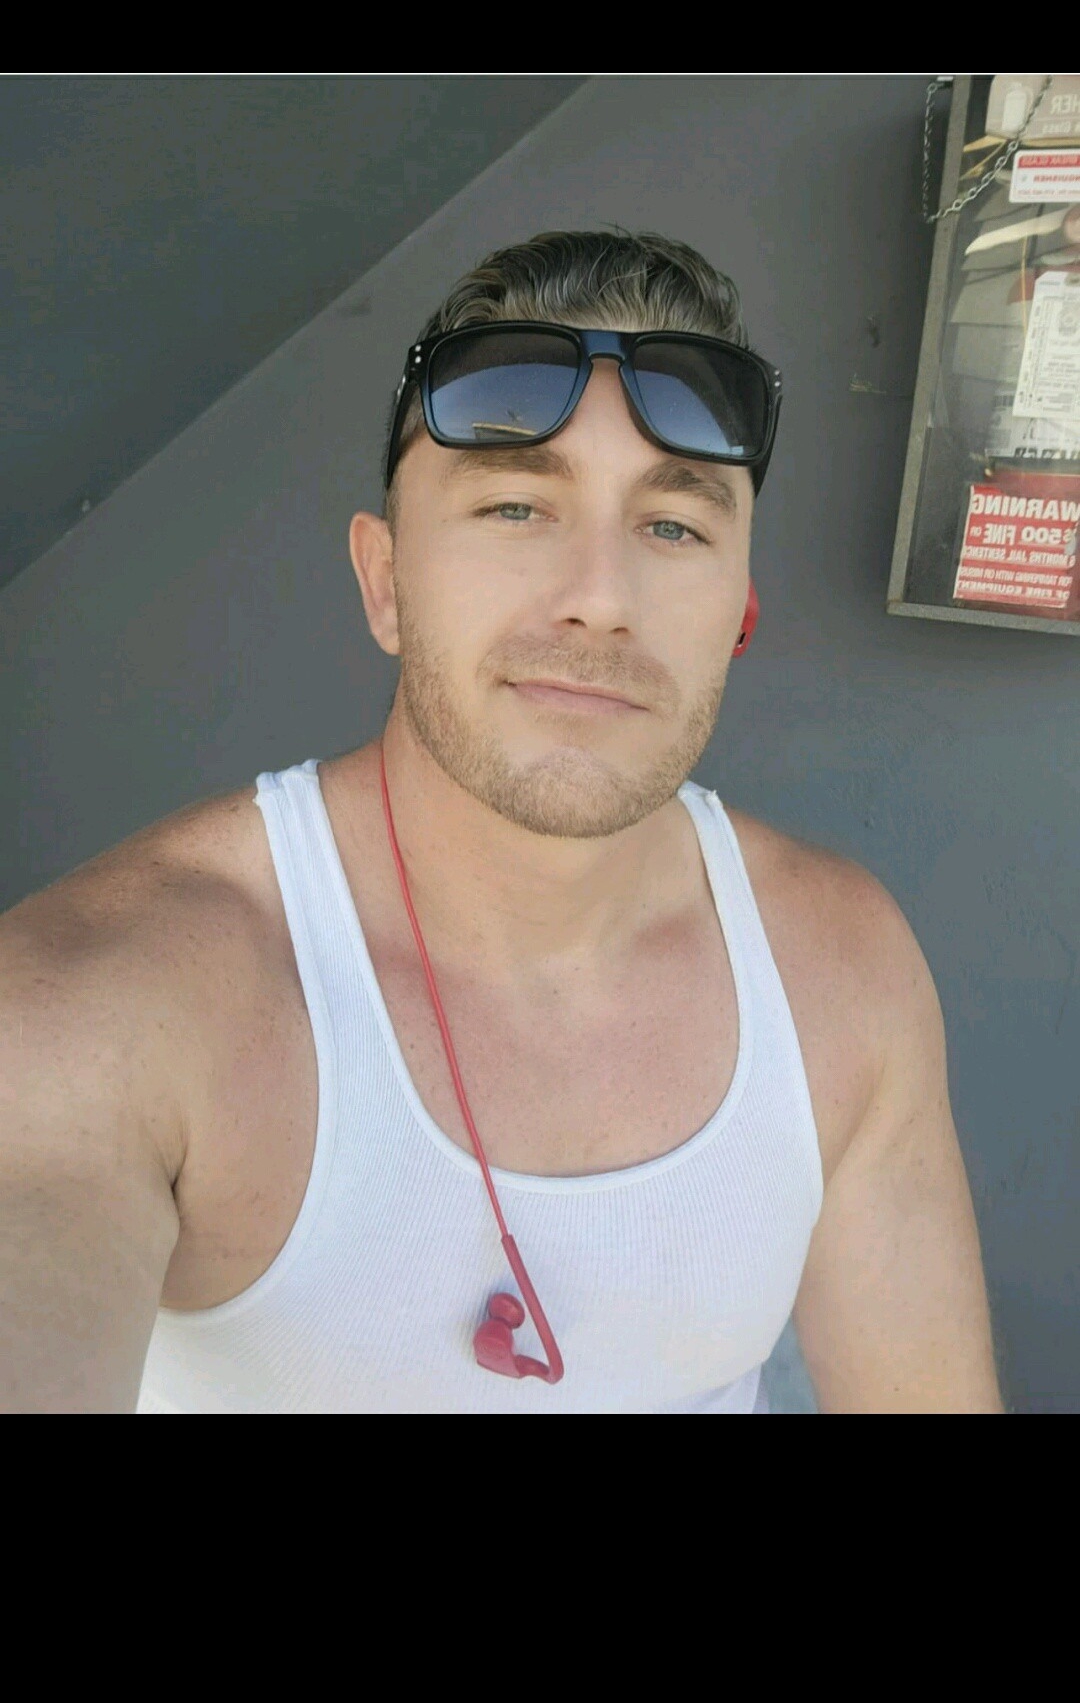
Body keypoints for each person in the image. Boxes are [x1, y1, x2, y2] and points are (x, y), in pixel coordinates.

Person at [0, 230, 1004, 1413]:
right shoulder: (105, 1010)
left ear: (738, 608)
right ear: (386, 584)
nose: (600, 598)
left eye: (673, 527)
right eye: (517, 506)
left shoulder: (839, 970)